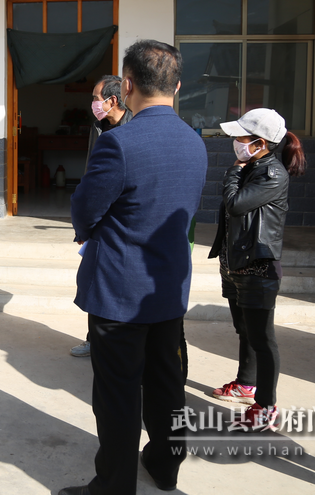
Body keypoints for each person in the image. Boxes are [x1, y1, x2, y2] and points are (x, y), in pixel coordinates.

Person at [59, 40, 207, 495]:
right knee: (166, 384)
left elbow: (85, 209)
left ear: (126, 85)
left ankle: (114, 485)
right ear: (177, 86)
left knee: (118, 393)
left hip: (120, 291)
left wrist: (89, 231)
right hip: (168, 287)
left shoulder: (119, 143)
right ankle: (165, 466)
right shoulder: (195, 142)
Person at [207, 108, 306, 431]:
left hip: (257, 267)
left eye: (241, 137)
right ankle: (245, 384)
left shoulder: (272, 174)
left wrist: (233, 171)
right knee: (245, 330)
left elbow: (236, 204)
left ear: (260, 143)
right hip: (236, 264)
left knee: (263, 339)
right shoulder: (252, 167)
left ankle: (266, 406)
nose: (235, 142)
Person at [71, 75, 134, 357]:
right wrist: (84, 225)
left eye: (96, 98)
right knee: (94, 281)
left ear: (112, 100)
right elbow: (92, 174)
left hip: (120, 220)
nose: (93, 104)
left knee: (117, 285)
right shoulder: (98, 127)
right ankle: (93, 339)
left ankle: (115, 343)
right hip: (98, 217)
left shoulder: (132, 127)